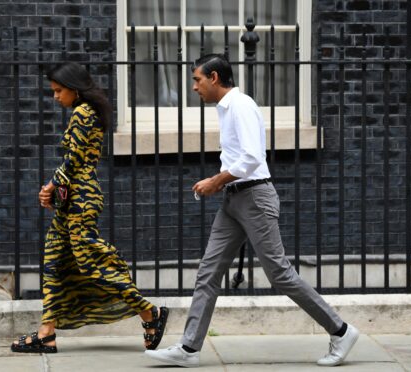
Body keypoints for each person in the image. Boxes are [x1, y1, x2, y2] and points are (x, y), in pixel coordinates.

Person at [144, 54, 359, 367]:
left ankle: (340, 330)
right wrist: (222, 185)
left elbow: (251, 158)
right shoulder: (226, 108)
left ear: (214, 77)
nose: (194, 87)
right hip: (234, 201)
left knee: (280, 274)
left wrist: (215, 182)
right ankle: (189, 349)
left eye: (197, 79)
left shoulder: (241, 105)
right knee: (209, 271)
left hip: (254, 198)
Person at [11, 62, 168, 353]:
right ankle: (47, 333)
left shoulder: (83, 113)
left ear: (74, 88)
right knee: (54, 260)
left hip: (81, 198)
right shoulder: (85, 113)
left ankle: (149, 312)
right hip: (73, 196)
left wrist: (50, 187)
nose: (56, 96)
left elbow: (73, 162)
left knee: (91, 262)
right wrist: (56, 192)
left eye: (59, 91)